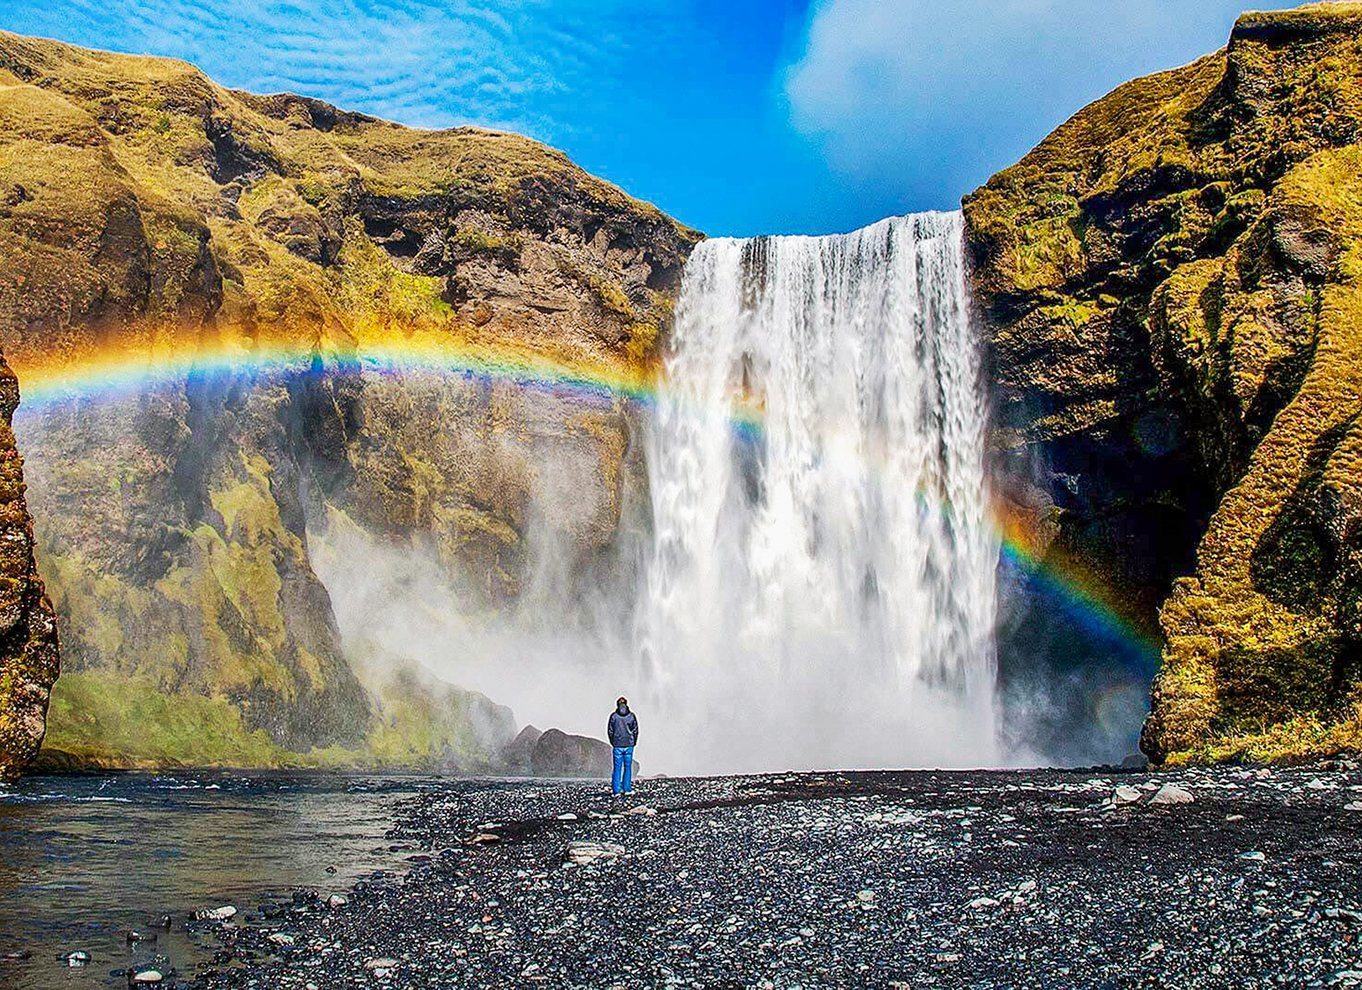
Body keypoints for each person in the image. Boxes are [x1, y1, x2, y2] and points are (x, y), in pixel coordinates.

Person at [607, 696, 639, 796]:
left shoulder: (614, 716)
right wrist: (634, 741)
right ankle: (627, 789)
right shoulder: (631, 716)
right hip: (629, 744)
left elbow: (610, 731)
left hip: (617, 745)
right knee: (628, 767)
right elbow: (635, 730)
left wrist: (613, 742)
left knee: (617, 768)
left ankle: (616, 791)